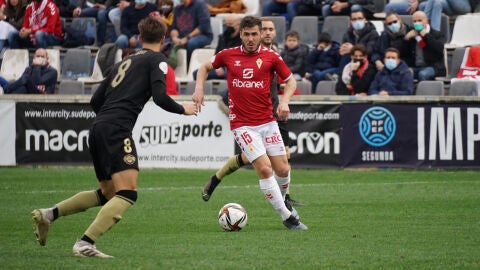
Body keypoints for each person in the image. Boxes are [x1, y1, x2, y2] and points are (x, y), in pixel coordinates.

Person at [31, 17, 197, 258]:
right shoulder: (158, 60)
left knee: (108, 193)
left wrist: (108, 121)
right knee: (128, 192)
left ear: (139, 38)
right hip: (116, 130)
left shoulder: (123, 62)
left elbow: (95, 101)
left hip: (98, 127)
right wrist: (185, 109)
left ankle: (49, 214)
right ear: (163, 40)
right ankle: (85, 243)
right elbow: (160, 97)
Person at [193, 16, 307, 230]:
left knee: (282, 169)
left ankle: (285, 201)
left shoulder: (272, 57)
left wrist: (285, 102)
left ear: (260, 34)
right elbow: (204, 68)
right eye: (247, 34)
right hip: (243, 124)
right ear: (241, 34)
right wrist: (199, 88)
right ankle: (287, 217)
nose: (251, 38)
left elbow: (291, 81)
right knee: (264, 169)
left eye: (255, 34)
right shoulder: (228, 55)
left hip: (268, 122)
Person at [193, 13, 242, 81]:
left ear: (238, 24)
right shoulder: (222, 37)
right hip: (220, 68)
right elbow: (216, 56)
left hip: (235, 68)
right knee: (197, 73)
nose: (228, 26)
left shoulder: (243, 39)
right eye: (226, 24)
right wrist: (217, 67)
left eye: (230, 24)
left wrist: (226, 68)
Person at [404, 10, 446, 81]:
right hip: (415, 67)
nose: (417, 23)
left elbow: (439, 49)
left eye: (420, 20)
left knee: (423, 74)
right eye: (415, 21)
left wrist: (426, 36)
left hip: (432, 67)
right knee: (403, 73)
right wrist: (406, 39)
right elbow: (401, 52)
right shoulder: (411, 34)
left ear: (426, 21)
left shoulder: (436, 34)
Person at [337, 9, 379, 76]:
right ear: (351, 22)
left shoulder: (373, 33)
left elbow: (369, 51)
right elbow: (343, 50)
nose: (357, 21)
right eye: (354, 19)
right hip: (350, 61)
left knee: (348, 55)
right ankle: (339, 75)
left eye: (360, 18)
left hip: (365, 61)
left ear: (365, 20)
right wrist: (341, 50)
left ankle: (339, 76)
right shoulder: (347, 34)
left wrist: (353, 49)